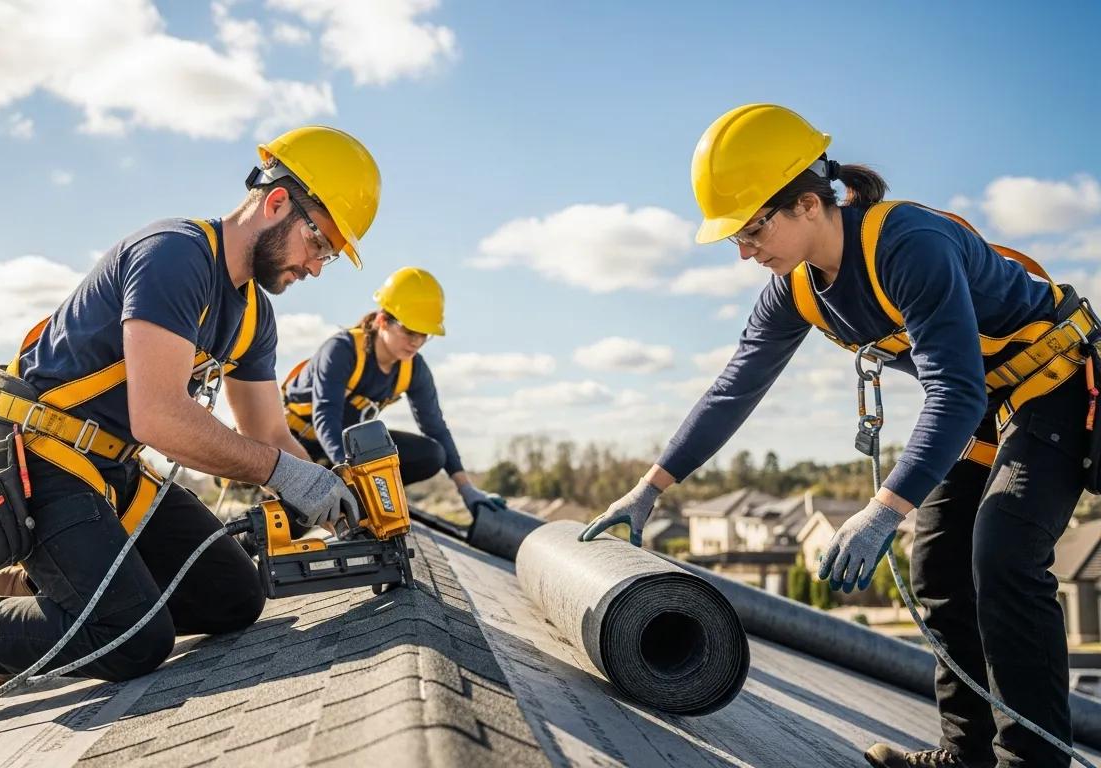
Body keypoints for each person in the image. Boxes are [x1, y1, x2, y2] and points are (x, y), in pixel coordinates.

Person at [580, 104, 1096, 768]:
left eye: (751, 229)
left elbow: (956, 389)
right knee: (936, 565)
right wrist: (650, 488)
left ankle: (1033, 762)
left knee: (1002, 553)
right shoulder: (795, 289)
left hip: (1056, 385)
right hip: (987, 404)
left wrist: (885, 509)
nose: (743, 252)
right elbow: (735, 386)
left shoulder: (908, 244)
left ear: (806, 205)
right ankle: (967, 756)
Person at [0, 125, 382, 727]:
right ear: (276, 204)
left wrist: (333, 491)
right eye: (319, 244)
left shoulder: (252, 316)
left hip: (110, 469)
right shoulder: (175, 255)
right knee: (134, 638)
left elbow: (269, 435)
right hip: (40, 460)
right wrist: (281, 473)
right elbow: (160, 416)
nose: (317, 267)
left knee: (236, 597)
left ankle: (33, 606)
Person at [280, 267, 494, 527]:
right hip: (299, 445)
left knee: (431, 454)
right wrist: (349, 477)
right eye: (409, 331)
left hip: (346, 451)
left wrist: (467, 490)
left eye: (424, 335)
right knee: (295, 521)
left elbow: (435, 427)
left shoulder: (413, 368)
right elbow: (325, 416)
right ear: (383, 321)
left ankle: (370, 499)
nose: (416, 342)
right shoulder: (342, 350)